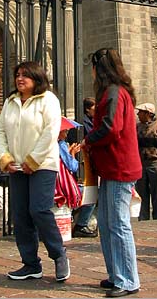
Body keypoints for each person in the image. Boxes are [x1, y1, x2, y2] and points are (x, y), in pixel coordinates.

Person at [0, 61, 70, 282]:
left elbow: (50, 132)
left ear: (37, 78)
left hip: (43, 165)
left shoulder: (49, 100)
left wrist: (33, 160)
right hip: (16, 166)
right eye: (17, 74)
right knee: (20, 215)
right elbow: (0, 131)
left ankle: (59, 254)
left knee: (39, 210)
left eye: (25, 75)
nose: (20, 79)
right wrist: (4, 158)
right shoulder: (11, 102)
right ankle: (30, 264)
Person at [82, 48, 142, 297]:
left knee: (118, 224)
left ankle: (128, 280)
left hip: (119, 167)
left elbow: (111, 128)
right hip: (111, 167)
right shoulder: (114, 92)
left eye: (93, 66)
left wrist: (88, 140)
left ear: (100, 67)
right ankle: (117, 274)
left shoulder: (114, 92)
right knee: (106, 224)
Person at [73, 98, 98, 238]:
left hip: (88, 161)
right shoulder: (84, 122)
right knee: (91, 194)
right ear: (88, 109)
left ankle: (83, 222)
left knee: (93, 193)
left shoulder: (92, 120)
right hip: (83, 162)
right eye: (94, 107)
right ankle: (81, 224)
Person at [135, 103, 157, 220]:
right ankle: (143, 216)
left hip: (155, 162)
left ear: (148, 113)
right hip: (141, 162)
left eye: (141, 112)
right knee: (142, 192)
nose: (138, 114)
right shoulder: (137, 126)